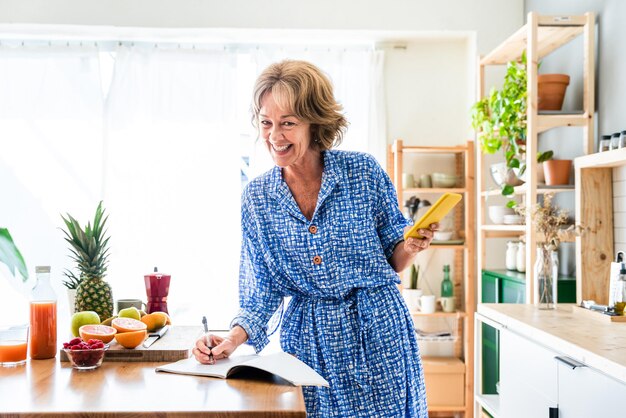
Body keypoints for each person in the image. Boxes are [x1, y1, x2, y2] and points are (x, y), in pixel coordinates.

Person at [193, 60, 436, 417]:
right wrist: (232, 338)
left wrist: (411, 246)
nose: (275, 136)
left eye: (288, 123)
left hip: (378, 333)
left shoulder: (363, 172)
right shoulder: (257, 198)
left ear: (314, 122)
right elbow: (262, 290)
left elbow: (392, 256)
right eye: (266, 122)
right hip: (309, 346)